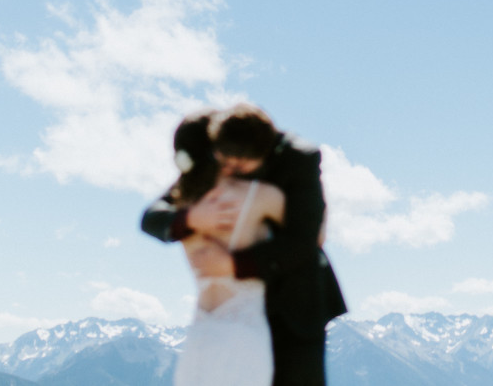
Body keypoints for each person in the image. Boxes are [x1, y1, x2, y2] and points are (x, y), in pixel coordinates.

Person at [143, 105, 347, 386]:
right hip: (233, 312)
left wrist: (232, 264)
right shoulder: (212, 165)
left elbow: (305, 241)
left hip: (295, 300)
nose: (227, 168)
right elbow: (152, 216)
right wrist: (191, 217)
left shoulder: (298, 158)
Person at [164, 111, 285, 386]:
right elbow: (313, 235)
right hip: (244, 336)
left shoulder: (182, 205)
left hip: (200, 335)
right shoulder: (260, 196)